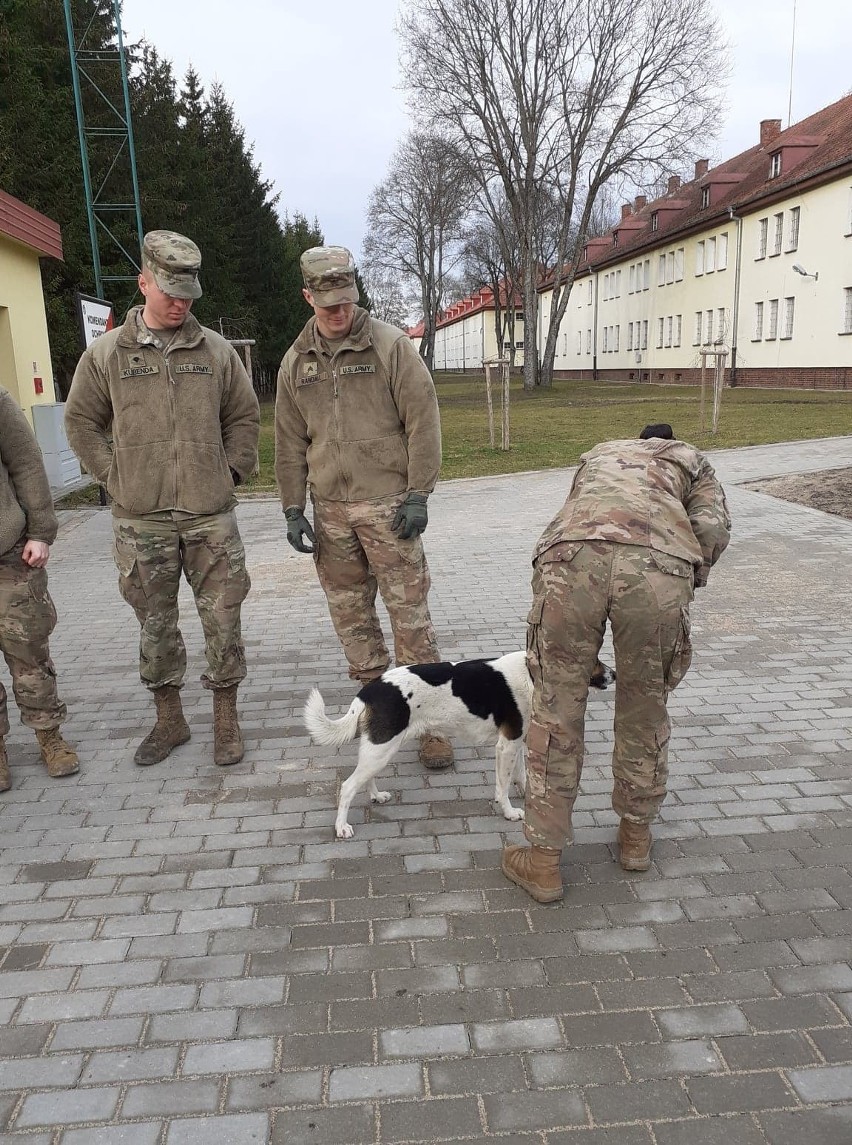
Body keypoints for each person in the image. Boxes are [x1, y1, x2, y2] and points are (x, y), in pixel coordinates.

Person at [502, 423, 731, 902]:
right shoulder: (692, 460)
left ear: (637, 439)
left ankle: (543, 862)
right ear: (670, 441)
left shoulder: (599, 453)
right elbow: (710, 527)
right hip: (657, 569)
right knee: (644, 709)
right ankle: (635, 839)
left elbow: (574, 510)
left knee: (556, 710)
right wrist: (691, 575)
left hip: (572, 560)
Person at [64, 230, 260, 768]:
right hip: (141, 519)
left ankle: (226, 718)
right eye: (170, 292)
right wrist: (114, 475)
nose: (180, 304)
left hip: (209, 516)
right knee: (155, 626)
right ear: (144, 281)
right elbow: (81, 422)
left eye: (189, 295)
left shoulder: (215, 351)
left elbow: (243, 416)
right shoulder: (107, 355)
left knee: (224, 620)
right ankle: (169, 720)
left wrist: (232, 471)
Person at [275, 245, 453, 769]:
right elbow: (288, 442)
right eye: (327, 303)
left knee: (410, 619)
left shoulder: (391, 347)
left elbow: (424, 421)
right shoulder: (295, 361)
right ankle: (379, 713)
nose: (339, 312)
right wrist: (292, 508)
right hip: (330, 512)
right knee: (352, 620)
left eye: (347, 301)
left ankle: (432, 724)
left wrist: (419, 493)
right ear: (308, 297)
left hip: (389, 507)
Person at [0, 388, 78, 791]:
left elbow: (27, 463)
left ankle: (49, 736)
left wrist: (41, 531)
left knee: (29, 653)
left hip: (9, 557)